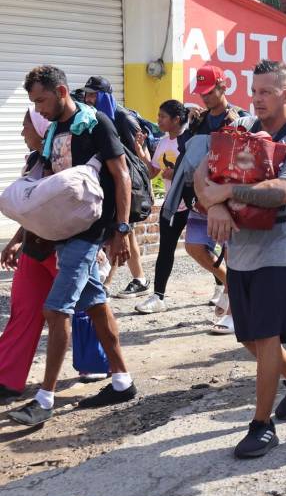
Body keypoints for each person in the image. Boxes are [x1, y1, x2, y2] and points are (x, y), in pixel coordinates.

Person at [194, 60, 286, 458]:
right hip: (240, 247)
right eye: (254, 91)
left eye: (266, 92)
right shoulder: (243, 128)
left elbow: (284, 191)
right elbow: (201, 175)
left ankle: (261, 425)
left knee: (266, 335)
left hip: (282, 245)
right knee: (249, 336)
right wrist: (214, 207)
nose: (257, 99)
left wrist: (226, 192)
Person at [7, 65, 137, 426]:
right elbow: (45, 188)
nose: (39, 109)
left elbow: (121, 174)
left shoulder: (95, 124)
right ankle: (123, 380)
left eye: (42, 100)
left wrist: (121, 229)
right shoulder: (54, 133)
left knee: (56, 309)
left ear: (61, 91)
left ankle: (44, 400)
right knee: (95, 304)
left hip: (89, 231)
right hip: (63, 230)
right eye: (35, 102)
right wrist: (22, 234)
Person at [182, 65, 249, 332]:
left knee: (233, 254)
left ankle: (233, 312)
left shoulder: (240, 118)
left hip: (227, 198)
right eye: (201, 93)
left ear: (223, 87)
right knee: (193, 246)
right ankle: (228, 284)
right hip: (200, 197)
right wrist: (189, 126)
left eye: (209, 92)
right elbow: (186, 152)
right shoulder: (200, 119)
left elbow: (245, 160)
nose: (205, 98)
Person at [0, 111, 57, 397]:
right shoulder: (35, 160)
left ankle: (98, 366)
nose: (23, 133)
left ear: (40, 128)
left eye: (25, 126)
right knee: (23, 310)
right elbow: (30, 208)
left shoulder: (61, 157)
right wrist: (15, 241)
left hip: (62, 247)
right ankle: (7, 378)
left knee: (85, 310)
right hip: (35, 247)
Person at [80, 76, 150, 298]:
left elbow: (140, 155)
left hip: (126, 183)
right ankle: (139, 278)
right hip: (109, 182)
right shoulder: (93, 118)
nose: (89, 99)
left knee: (121, 230)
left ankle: (107, 283)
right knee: (125, 233)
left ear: (104, 96)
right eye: (87, 94)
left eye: (94, 94)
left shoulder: (123, 118)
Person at [131, 100, 190, 313]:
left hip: (194, 204)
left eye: (163, 116)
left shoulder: (190, 140)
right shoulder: (164, 143)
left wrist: (178, 174)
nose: (158, 120)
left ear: (176, 119)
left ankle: (222, 287)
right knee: (165, 249)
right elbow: (152, 172)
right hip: (172, 204)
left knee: (203, 248)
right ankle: (158, 297)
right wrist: (141, 151)